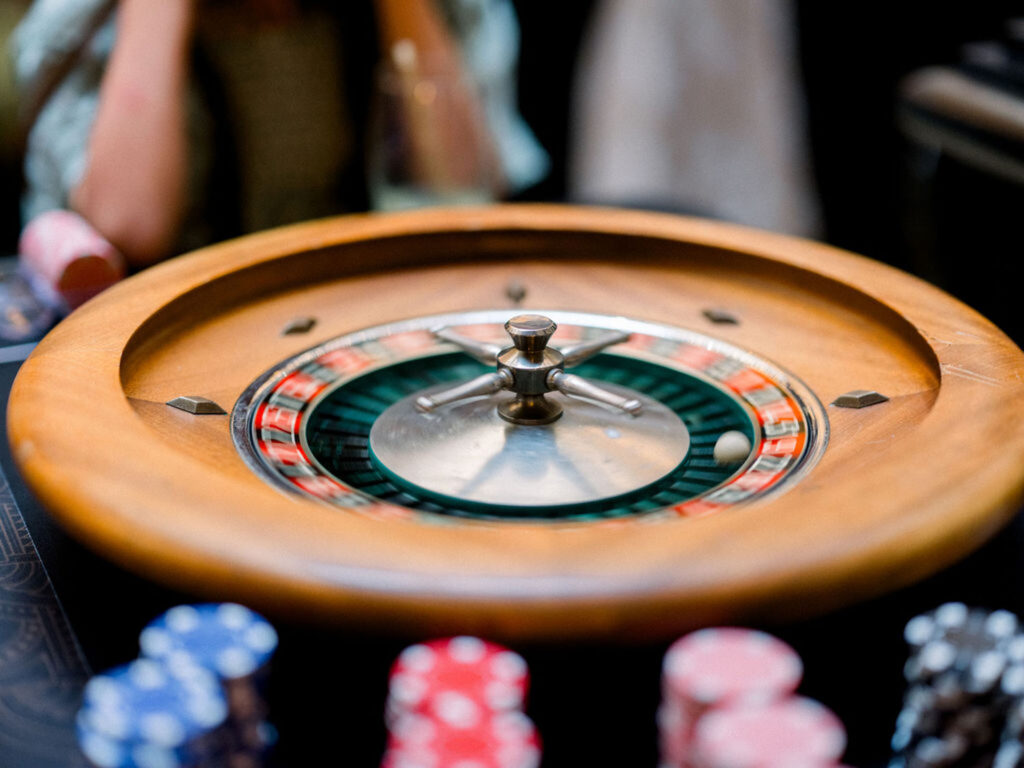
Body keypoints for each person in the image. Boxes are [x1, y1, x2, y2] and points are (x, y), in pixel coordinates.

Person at [12, 0, 546, 268]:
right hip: (175, 351)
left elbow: (460, 192)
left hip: (352, 320)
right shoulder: (85, 20)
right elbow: (128, 224)